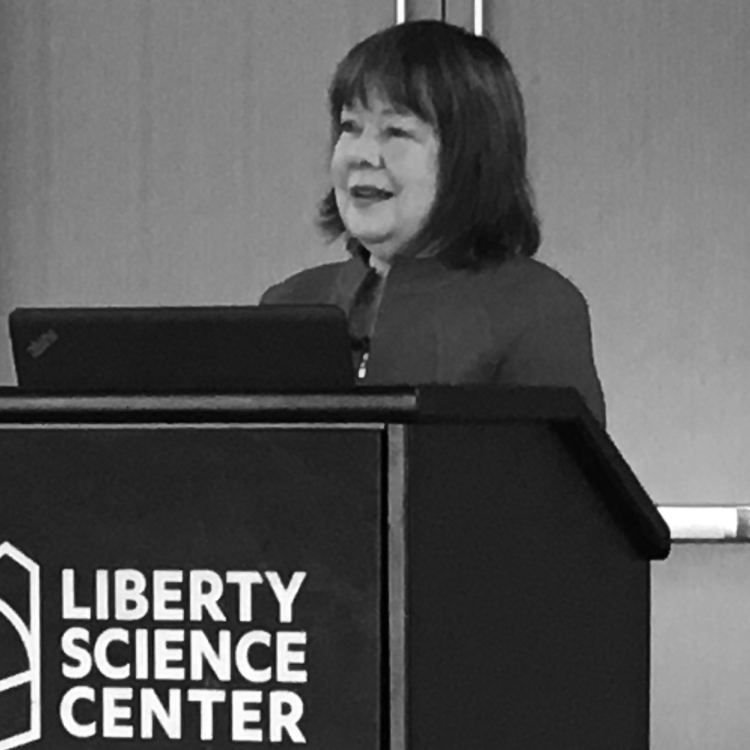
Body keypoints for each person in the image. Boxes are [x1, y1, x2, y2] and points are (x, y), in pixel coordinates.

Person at [261, 20, 606, 425]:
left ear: (470, 156)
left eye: (396, 131)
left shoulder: (535, 308)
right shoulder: (288, 305)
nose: (360, 154)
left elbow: (550, 467)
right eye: (350, 127)